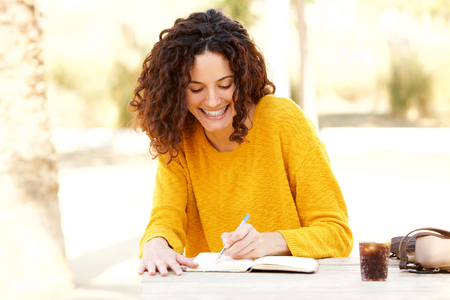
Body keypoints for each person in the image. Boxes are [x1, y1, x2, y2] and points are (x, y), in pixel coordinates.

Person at [131, 8, 353, 277]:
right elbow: (166, 217)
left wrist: (268, 243)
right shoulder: (179, 137)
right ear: (177, 91)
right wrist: (156, 244)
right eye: (196, 89)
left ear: (243, 78)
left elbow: (337, 234)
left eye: (225, 85)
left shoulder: (283, 121)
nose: (212, 101)